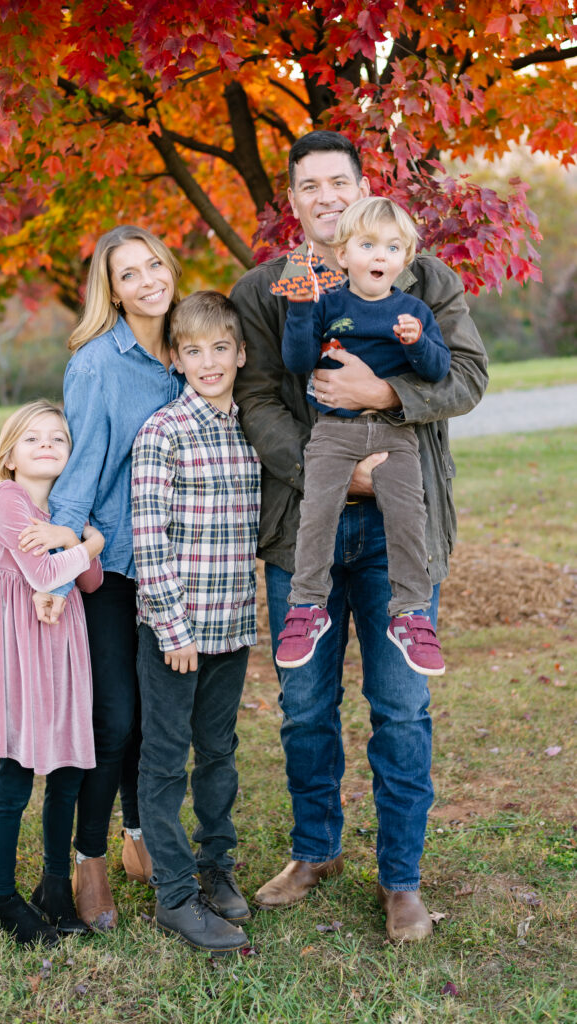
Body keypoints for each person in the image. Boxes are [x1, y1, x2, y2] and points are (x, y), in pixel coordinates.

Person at [230, 130, 487, 942]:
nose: (326, 196)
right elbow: (257, 400)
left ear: (359, 186)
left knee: (400, 706)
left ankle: (400, 878)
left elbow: (469, 378)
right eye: (308, 186)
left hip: (398, 530)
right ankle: (315, 852)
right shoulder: (264, 289)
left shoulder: (422, 276)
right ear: (294, 201)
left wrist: (385, 392)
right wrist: (328, 477)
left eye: (338, 181)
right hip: (300, 527)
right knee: (304, 708)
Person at [21, 226, 183, 931]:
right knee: (113, 717)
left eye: (155, 264)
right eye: (129, 273)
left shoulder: (187, 351)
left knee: (154, 721)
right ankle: (88, 861)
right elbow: (79, 473)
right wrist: (57, 577)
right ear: (110, 290)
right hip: (110, 563)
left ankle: (139, 840)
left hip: (172, 564)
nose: (148, 280)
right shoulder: (97, 364)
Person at [131, 291, 260, 954]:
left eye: (219, 348)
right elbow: (149, 538)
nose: (208, 361)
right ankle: (176, 895)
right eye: (193, 351)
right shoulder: (164, 431)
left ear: (239, 353)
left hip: (232, 624)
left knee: (218, 752)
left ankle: (217, 862)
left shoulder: (250, 428)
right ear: (175, 359)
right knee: (163, 761)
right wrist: (170, 628)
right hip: (175, 634)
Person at [276, 196, 450, 676]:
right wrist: (299, 309)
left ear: (405, 258)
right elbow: (296, 361)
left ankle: (411, 613)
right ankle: (308, 604)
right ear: (343, 253)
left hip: (396, 434)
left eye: (392, 247)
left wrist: (417, 344)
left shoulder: (413, 309)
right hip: (334, 431)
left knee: (408, 513)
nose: (380, 256)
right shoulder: (328, 303)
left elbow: (439, 370)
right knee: (317, 509)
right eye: (368, 245)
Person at [0, 400, 104, 945]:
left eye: (58, 438)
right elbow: (44, 572)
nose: (47, 445)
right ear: (9, 457)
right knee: (16, 776)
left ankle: (54, 886)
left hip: (62, 650)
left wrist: (74, 538)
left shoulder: (65, 511)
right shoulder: (8, 500)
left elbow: (89, 585)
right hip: (18, 653)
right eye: (32, 438)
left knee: (67, 773)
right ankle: (2, 896)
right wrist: (89, 542)